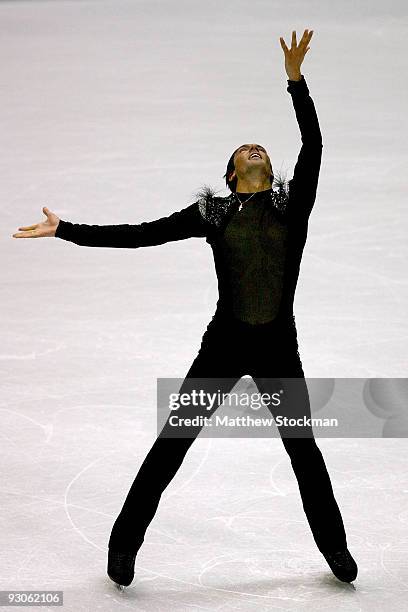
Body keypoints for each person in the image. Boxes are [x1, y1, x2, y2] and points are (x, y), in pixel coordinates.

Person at [12, 29, 358, 588]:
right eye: (245, 151)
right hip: (223, 346)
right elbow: (139, 234)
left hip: (277, 347)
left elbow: (314, 147)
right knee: (174, 443)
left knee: (304, 451)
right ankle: (122, 547)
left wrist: (296, 84)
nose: (256, 149)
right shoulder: (213, 215)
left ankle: (336, 550)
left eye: (261, 149)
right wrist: (65, 231)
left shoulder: (294, 208)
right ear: (230, 175)